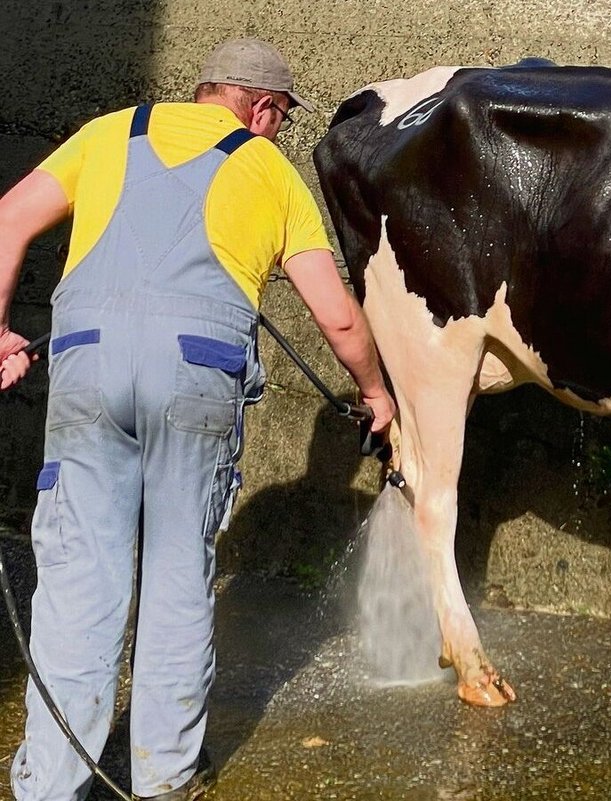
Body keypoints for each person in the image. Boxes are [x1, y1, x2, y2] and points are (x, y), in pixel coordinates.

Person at [0, 38, 395, 800]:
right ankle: (163, 774)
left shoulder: (106, 131)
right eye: (278, 119)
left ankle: (52, 783)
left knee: (80, 575)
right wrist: (375, 393)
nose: (274, 131)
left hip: (86, 365)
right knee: (179, 574)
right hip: (196, 377)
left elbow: (8, 220)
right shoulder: (268, 167)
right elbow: (340, 320)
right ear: (261, 107)